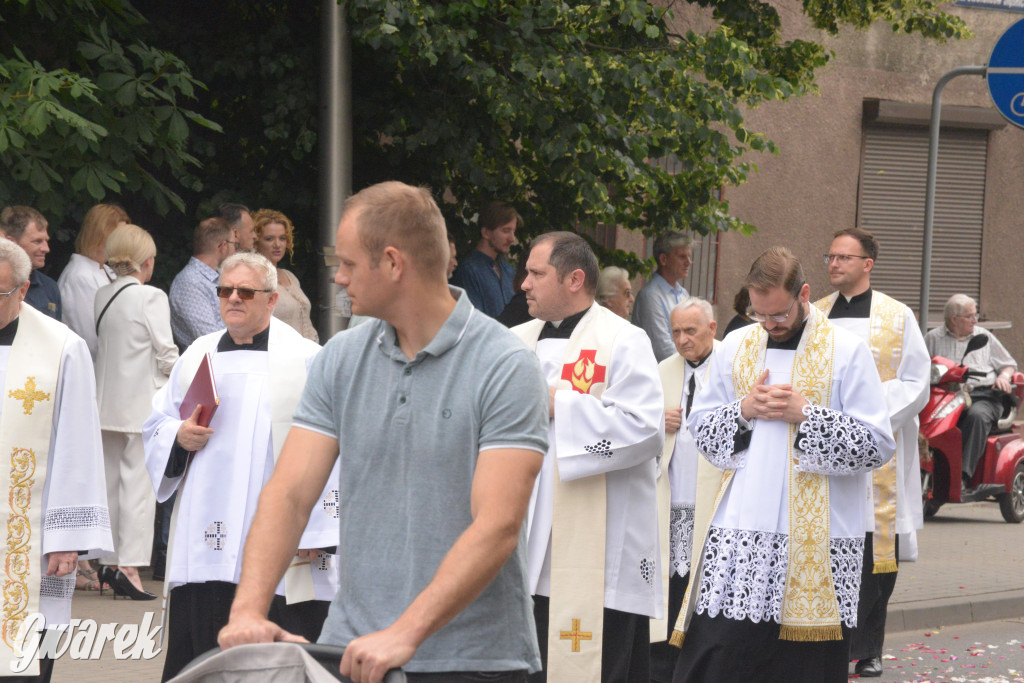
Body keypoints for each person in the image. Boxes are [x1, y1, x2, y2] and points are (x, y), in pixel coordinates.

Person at [217, 181, 549, 683]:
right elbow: (289, 493)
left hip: (475, 661)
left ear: (393, 264)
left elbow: (497, 524)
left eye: (347, 263)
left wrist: (405, 634)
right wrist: (247, 611)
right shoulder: (341, 359)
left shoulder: (505, 364)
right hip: (351, 650)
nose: (340, 278)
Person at [670, 246, 896, 683]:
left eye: (778, 315)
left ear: (804, 294)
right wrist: (744, 410)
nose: (769, 326)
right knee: (716, 654)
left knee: (801, 668)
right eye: (760, 315)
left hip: (817, 538)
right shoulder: (736, 344)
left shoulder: (847, 351)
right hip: (741, 533)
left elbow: (877, 444)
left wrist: (806, 415)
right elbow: (702, 429)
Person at [145, 252, 338, 681]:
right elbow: (156, 422)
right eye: (224, 290)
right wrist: (178, 436)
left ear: (271, 300)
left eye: (245, 292)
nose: (233, 298)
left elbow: (335, 446)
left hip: (285, 540)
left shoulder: (308, 360)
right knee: (202, 653)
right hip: (206, 538)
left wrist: (319, 529)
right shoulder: (198, 354)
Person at [513, 231, 664, 683]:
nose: (524, 283)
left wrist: (563, 405)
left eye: (536, 273)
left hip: (594, 550)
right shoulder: (512, 341)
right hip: (522, 536)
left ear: (574, 279)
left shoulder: (623, 340)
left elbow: (645, 429)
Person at [814, 228, 930, 678]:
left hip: (881, 447)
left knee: (877, 554)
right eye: (831, 255)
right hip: (826, 445)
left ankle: (870, 647)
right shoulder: (815, 315)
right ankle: (830, 642)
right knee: (829, 547)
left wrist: (866, 415)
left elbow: (915, 381)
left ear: (869, 264)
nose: (834, 264)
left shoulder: (897, 316)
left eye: (845, 257)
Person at [0, 239, 111, 682]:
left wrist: (67, 537)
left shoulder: (62, 347)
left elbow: (78, 444)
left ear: (24, 290)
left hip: (29, 534)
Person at [94, 224, 179, 600]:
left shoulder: (101, 295)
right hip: (141, 405)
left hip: (105, 404)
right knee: (139, 491)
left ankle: (111, 564)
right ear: (147, 261)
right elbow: (166, 353)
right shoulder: (150, 296)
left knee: (111, 487)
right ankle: (128, 566)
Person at [650, 297, 718, 683]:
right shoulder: (663, 371)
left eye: (690, 331)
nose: (681, 340)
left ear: (712, 327)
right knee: (672, 587)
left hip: (712, 502)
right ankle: (665, 670)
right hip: (671, 500)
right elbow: (636, 427)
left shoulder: (732, 365)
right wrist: (657, 422)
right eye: (675, 331)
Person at [924, 294, 1017, 492]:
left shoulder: (984, 336)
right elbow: (918, 366)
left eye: (975, 316)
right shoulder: (933, 338)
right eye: (970, 316)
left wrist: (1004, 377)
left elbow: (1008, 364)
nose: (975, 321)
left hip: (983, 395)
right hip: (946, 395)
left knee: (976, 416)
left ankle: (963, 477)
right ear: (954, 319)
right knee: (926, 420)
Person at [58, 203, 129, 359]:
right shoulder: (79, 276)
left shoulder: (106, 270)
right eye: (117, 235)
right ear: (99, 234)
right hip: (95, 370)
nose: (123, 242)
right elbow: (91, 338)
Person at [252, 208, 319, 342]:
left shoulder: (290, 276)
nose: (277, 245)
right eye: (269, 239)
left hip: (308, 355)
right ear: (257, 242)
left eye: (282, 238)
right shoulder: (253, 278)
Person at [169, 217, 236, 348]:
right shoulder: (189, 283)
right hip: (209, 365)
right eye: (234, 244)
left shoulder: (218, 276)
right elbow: (210, 338)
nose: (235, 250)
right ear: (223, 246)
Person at [450, 200, 520, 316]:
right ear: (486, 233)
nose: (512, 239)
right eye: (506, 231)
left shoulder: (509, 271)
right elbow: (472, 322)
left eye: (513, 231)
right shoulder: (468, 271)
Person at [632, 232, 693, 361]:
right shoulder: (650, 296)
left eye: (689, 256)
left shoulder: (683, 293)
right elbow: (663, 350)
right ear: (663, 259)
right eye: (682, 257)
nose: (689, 262)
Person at [0, 206, 61, 320]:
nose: (46, 248)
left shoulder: (49, 287)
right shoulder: (3, 284)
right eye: (37, 241)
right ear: (11, 242)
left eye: (46, 241)